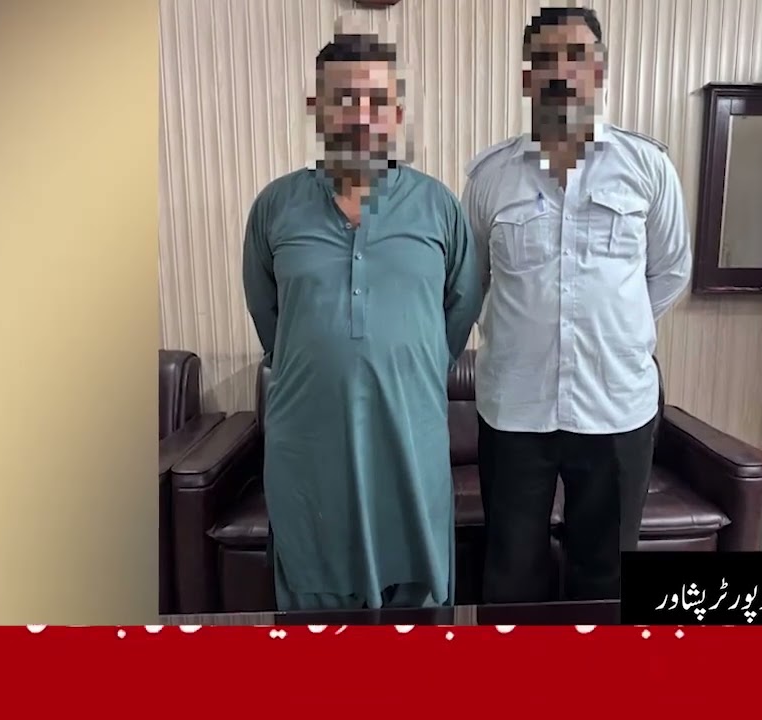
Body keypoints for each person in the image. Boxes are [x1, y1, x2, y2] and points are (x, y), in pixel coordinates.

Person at [242, 33, 482, 611]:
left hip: (410, 442)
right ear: (316, 108)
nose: (360, 115)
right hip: (308, 450)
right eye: (343, 99)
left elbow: (461, 307)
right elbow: (270, 320)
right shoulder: (275, 207)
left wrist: (408, 366)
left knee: (418, 609)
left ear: (396, 113)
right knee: (312, 607)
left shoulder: (438, 207)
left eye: (376, 101)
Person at [463, 7, 692, 604]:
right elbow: (472, 282)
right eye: (546, 59)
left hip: (616, 405)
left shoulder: (647, 167)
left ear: (601, 70)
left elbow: (671, 271)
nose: (562, 71)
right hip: (516, 409)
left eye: (578, 56)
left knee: (606, 580)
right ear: (526, 78)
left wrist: (615, 331)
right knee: (511, 577)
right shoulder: (489, 178)